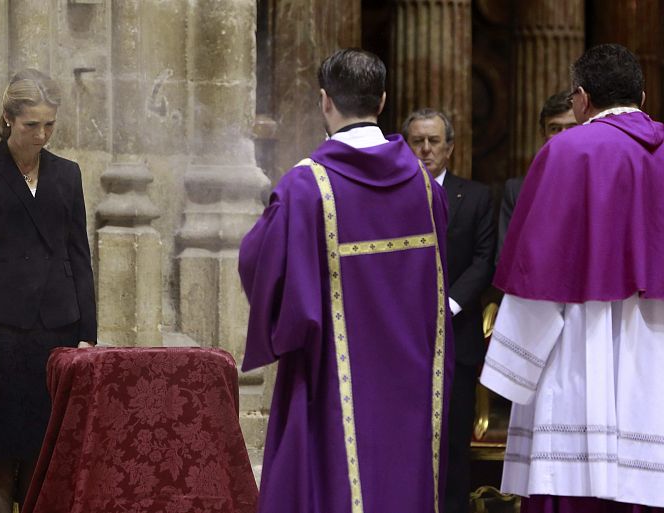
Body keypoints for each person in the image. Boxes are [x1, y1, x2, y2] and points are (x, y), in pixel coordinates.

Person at [240, 49, 453, 513]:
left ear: (324, 102)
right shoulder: (425, 186)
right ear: (382, 99)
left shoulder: (304, 187)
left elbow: (260, 264)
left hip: (331, 377)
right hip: (413, 380)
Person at [481, 43, 664, 511]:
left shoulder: (566, 150)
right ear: (642, 98)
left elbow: (537, 269)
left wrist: (512, 366)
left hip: (581, 347)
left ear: (580, 99)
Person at [0, 68, 97, 513]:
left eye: (49, 124)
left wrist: (87, 334)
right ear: (8, 119)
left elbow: (79, 257)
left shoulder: (67, 175)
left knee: (45, 448)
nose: (42, 135)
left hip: (55, 329)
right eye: (31, 125)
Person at [403, 109, 496, 513]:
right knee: (406, 441)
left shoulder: (476, 196)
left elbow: (484, 260)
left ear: (450, 147)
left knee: (455, 443)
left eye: (433, 141)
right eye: (417, 141)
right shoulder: (392, 197)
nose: (425, 149)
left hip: (458, 337)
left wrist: (447, 306)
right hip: (404, 339)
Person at [498, 91, 578, 257]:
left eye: (572, 127)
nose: (563, 136)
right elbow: (505, 258)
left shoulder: (602, 184)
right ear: (543, 134)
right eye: (555, 128)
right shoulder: (516, 190)